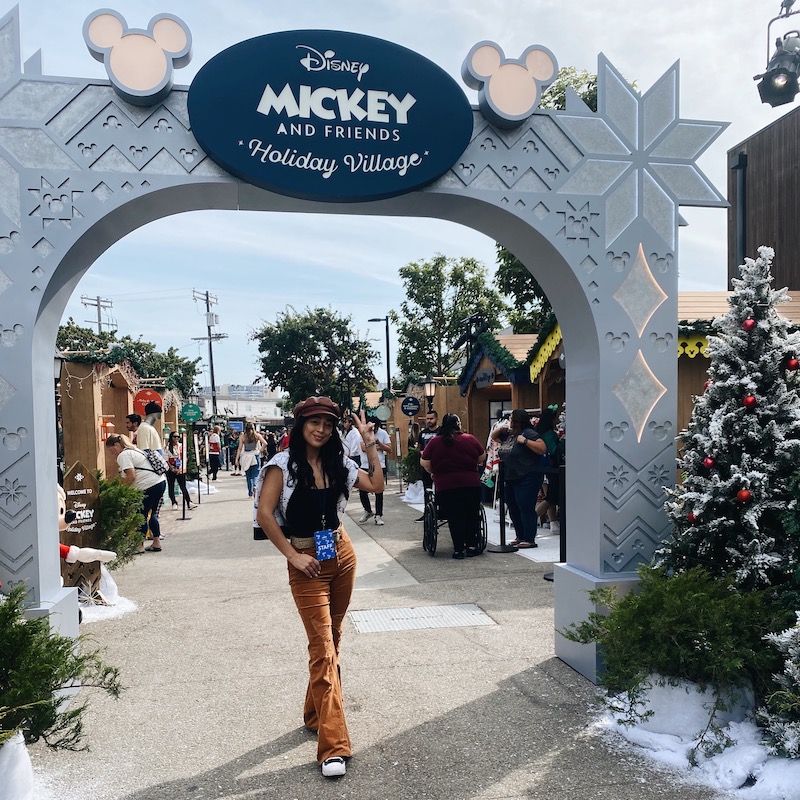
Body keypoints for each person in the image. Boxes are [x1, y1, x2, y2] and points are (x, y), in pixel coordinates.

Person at [254, 395, 384, 778]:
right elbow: (265, 513)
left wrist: (369, 442)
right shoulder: (282, 466)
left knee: (334, 640)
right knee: (323, 649)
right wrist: (292, 557)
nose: (321, 429)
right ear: (300, 426)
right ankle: (333, 746)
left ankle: (315, 715)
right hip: (307, 564)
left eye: (328, 424)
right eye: (314, 422)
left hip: (341, 556)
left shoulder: (338, 462)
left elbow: (376, 485)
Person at [420, 413, 486, 559]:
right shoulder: (470, 439)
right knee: (472, 515)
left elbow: (424, 462)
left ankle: (458, 550)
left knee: (455, 517)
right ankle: (471, 545)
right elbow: (482, 457)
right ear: (458, 425)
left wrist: (434, 472)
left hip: (446, 485)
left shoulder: (435, 441)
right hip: (471, 484)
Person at [491, 408, 547, 548]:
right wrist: (501, 428)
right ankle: (520, 535)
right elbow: (494, 437)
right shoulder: (510, 434)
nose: (508, 421)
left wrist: (526, 441)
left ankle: (529, 538)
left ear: (516, 420)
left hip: (527, 476)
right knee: (512, 506)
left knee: (525, 506)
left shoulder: (529, 433)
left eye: (510, 419)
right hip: (511, 477)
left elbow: (542, 448)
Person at [105, 433, 166, 552]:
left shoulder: (123, 455)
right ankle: (156, 542)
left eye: (111, 450)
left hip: (147, 486)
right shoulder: (136, 450)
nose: (111, 453)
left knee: (140, 515)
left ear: (117, 445)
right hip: (160, 482)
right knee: (152, 513)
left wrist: (120, 489)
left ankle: (139, 545)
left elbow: (131, 476)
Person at [357, 417, 391, 525]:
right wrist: (373, 446)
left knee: (379, 491)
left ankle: (378, 515)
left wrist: (378, 443)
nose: (373, 430)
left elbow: (389, 449)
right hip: (365, 465)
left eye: (375, 428)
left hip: (379, 465)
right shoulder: (363, 432)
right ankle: (368, 510)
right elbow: (363, 448)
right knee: (362, 490)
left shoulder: (383, 433)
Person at [414, 409, 439, 522]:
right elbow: (419, 447)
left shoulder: (441, 432)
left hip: (439, 465)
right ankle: (427, 512)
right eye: (427, 419)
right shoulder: (422, 433)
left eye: (431, 418)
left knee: (440, 489)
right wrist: (420, 452)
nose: (429, 421)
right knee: (427, 489)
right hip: (426, 465)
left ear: (436, 419)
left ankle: (440, 511)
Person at [164, 431, 194, 510]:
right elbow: (166, 459)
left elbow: (184, 457)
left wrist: (181, 467)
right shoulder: (167, 447)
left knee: (183, 486)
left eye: (178, 437)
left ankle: (189, 502)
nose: (176, 438)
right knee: (171, 486)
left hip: (180, 468)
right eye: (174, 437)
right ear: (171, 437)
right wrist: (172, 468)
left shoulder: (181, 446)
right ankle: (174, 502)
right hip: (171, 469)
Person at [236, 422, 267, 496]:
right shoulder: (257, 435)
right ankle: (255, 486)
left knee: (248, 476)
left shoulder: (242, 436)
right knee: (255, 474)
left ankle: (250, 492)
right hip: (255, 456)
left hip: (246, 456)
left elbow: (240, 448)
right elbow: (265, 443)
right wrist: (260, 451)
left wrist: (237, 459)